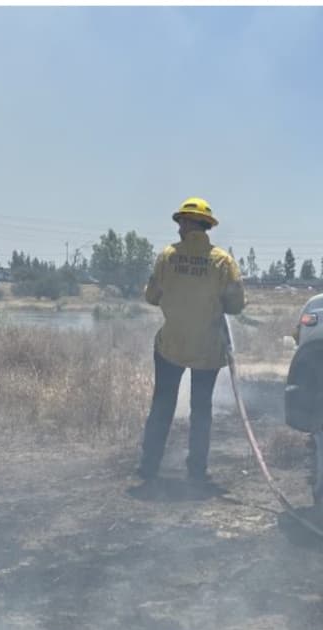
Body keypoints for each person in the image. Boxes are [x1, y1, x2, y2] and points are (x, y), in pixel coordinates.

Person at [137, 197, 246, 483]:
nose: (178, 229)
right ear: (207, 226)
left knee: (162, 404)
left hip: (171, 345)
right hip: (207, 349)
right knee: (201, 409)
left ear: (187, 223)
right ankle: (196, 472)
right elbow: (236, 305)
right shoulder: (223, 261)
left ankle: (149, 466)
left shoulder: (167, 256)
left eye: (180, 223)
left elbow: (151, 296)